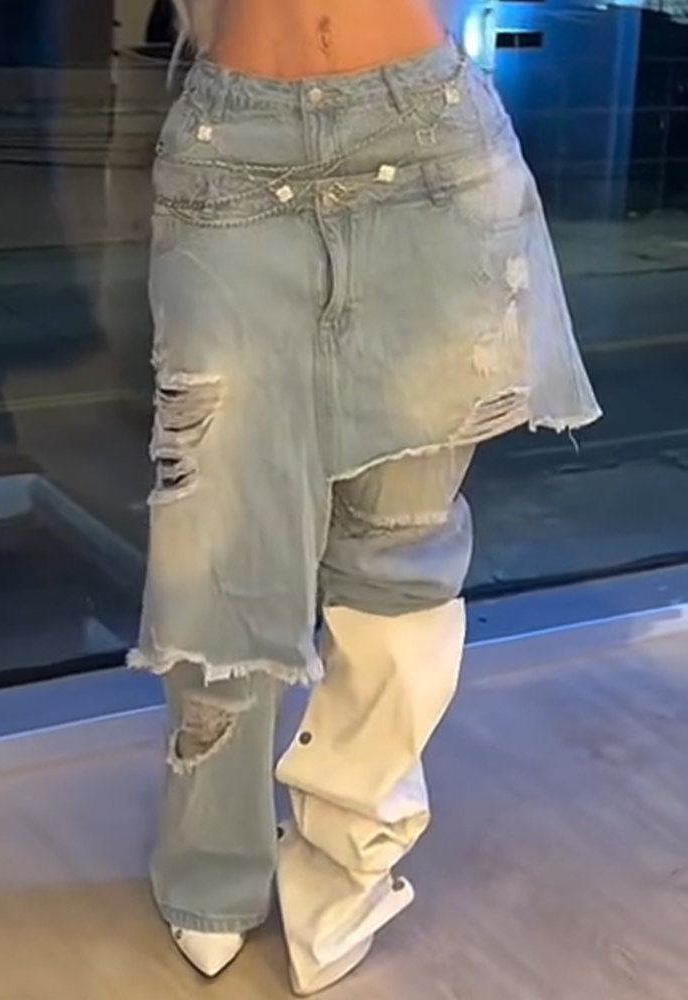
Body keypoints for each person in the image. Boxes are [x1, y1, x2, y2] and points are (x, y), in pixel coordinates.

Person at [129, 0, 601, 993]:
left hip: (430, 145)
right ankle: (212, 868)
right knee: (217, 539)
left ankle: (344, 867)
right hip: (234, 156)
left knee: (402, 546)